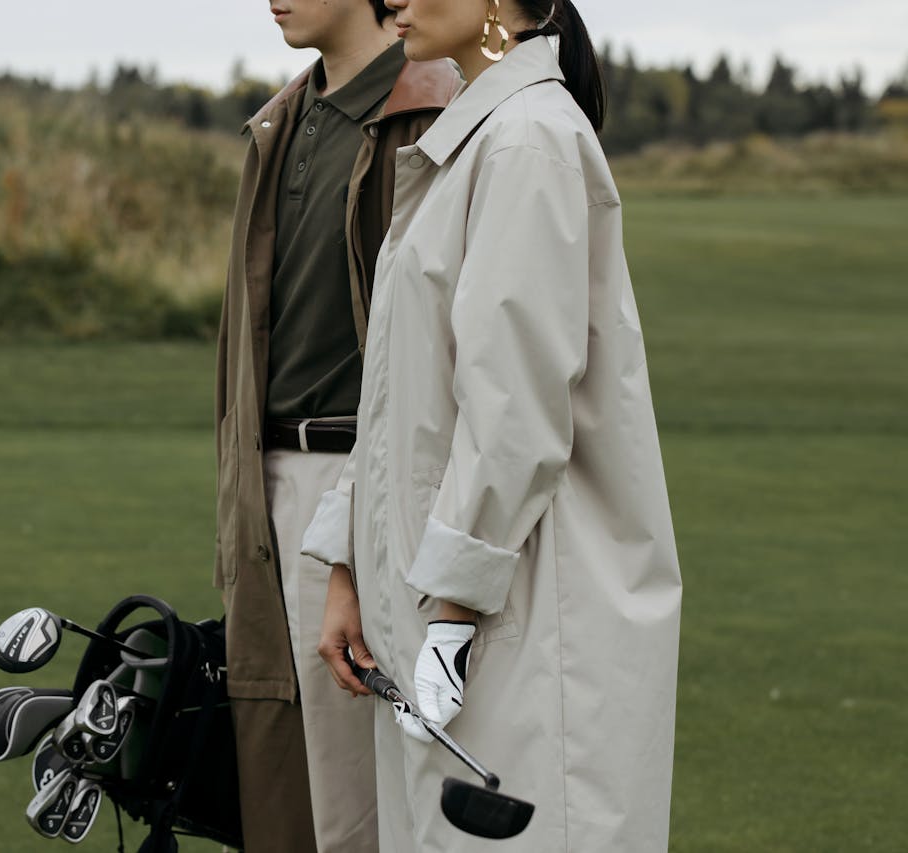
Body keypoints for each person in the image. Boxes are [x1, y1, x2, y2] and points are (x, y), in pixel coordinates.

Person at [300, 0, 684, 850]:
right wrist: (348, 564)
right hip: (444, 605)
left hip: (518, 611)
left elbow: (516, 404)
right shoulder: (475, 139)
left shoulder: (525, 140)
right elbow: (401, 394)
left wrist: (456, 607)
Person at [213, 1, 459, 851]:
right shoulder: (285, 116)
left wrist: (356, 531)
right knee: (288, 785)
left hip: (364, 485)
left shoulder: (432, 109)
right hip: (268, 484)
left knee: (358, 803)